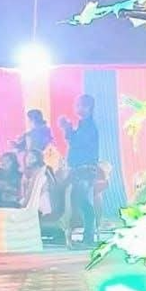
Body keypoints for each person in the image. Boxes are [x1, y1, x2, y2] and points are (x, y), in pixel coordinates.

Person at [58, 94, 99, 247]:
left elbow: (77, 143)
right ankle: (86, 236)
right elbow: (73, 140)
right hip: (78, 169)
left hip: (84, 170)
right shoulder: (82, 125)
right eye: (77, 105)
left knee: (81, 202)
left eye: (82, 106)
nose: (78, 108)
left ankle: (87, 237)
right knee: (79, 201)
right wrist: (67, 129)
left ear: (89, 108)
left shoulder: (89, 126)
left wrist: (67, 128)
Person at [22, 148, 55, 217]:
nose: (28, 160)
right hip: (31, 202)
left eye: (32, 158)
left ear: (38, 159)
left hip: (40, 204)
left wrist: (24, 205)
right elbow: (24, 190)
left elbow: (36, 191)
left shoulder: (42, 171)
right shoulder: (26, 173)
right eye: (28, 157)